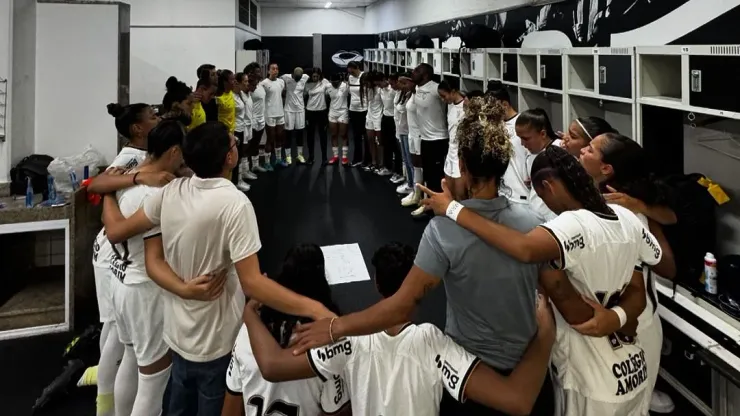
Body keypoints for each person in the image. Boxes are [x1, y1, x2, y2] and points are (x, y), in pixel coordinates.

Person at [290, 97, 558, 415]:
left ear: (462, 164)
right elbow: (557, 293)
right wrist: (546, 332)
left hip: (469, 373)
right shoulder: (534, 223)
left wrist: (337, 327)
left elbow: (402, 305)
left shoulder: (443, 232)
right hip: (531, 370)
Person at [99, 122, 336, 415]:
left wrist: (108, 190)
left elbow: (142, 251)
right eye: (233, 145)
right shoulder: (235, 204)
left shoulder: (170, 192)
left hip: (176, 335)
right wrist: (316, 309)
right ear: (229, 158)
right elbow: (253, 283)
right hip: (216, 339)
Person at [417, 144, 667, 416]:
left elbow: (527, 252)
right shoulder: (626, 216)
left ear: (547, 187)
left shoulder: (570, 225)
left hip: (590, 375)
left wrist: (453, 209)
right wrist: (618, 317)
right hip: (632, 366)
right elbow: (640, 285)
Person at [245, 242, 556, 416]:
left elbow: (273, 367)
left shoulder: (350, 340)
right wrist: (545, 333)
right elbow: (517, 400)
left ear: (377, 284)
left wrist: (248, 315)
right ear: (421, 289)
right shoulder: (433, 344)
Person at [579, 132, 678, 414]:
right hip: (608, 319)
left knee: (633, 404)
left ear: (607, 168)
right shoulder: (595, 193)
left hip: (635, 321)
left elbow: (666, 265)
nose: (582, 150)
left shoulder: (627, 208)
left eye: (589, 148)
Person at [83, 103, 167, 416]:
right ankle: (104, 402)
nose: (158, 120)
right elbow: (99, 184)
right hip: (113, 256)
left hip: (115, 255)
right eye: (153, 117)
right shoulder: (131, 157)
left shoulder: (143, 156)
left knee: (120, 340)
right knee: (117, 339)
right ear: (137, 128)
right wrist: (137, 181)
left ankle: (107, 399)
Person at [109, 119, 186, 416]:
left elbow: (110, 218)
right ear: (174, 151)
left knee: (130, 358)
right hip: (145, 290)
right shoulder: (154, 194)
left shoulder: (129, 177)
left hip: (121, 279)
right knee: (153, 378)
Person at [221, 244, 349, 416]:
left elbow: (230, 409)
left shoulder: (248, 333)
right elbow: (336, 411)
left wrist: (249, 312)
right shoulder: (326, 345)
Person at [413, 63, 448, 218]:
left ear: (426, 75)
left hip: (438, 139)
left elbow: (452, 97)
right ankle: (429, 205)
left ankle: (439, 209)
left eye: (417, 70)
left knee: (438, 177)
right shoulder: (417, 88)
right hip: (425, 139)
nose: (413, 72)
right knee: (428, 175)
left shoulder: (435, 89)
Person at [515, 108, 562, 220]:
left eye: (526, 139)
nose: (522, 144)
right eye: (520, 138)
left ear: (542, 134)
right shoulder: (530, 154)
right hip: (535, 216)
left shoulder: (561, 150)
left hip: (555, 219)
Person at [486, 81, 528, 206]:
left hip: (521, 195)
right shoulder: (494, 125)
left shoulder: (523, 125)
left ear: (504, 104)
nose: (489, 113)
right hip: (500, 193)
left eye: (492, 108)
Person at [437, 80, 466, 199]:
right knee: (449, 192)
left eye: (444, 96)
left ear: (453, 92)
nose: (443, 99)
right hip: (451, 151)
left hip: (461, 154)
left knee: (461, 195)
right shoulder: (450, 105)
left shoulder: (466, 106)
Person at [400, 74, 423, 213]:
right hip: (411, 134)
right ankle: (416, 193)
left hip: (420, 135)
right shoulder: (411, 95)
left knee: (420, 167)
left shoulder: (420, 95)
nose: (404, 86)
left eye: (405, 83)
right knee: (415, 166)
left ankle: (422, 198)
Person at [261, 63, 288, 168]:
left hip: (280, 113)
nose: (275, 70)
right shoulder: (264, 83)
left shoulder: (281, 82)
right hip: (269, 114)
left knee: (279, 138)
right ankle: (267, 162)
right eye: (273, 69)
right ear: (268, 71)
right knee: (270, 139)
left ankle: (278, 159)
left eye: (277, 69)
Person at [243, 63, 269, 173]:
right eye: (257, 71)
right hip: (251, 120)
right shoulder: (248, 86)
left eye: (260, 71)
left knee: (256, 144)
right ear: (251, 73)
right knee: (247, 147)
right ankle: (245, 170)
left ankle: (255, 165)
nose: (260, 73)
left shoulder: (261, 85)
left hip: (261, 119)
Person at [282, 67, 310, 164]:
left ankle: (300, 155)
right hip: (288, 110)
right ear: (292, 74)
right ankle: (288, 156)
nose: (297, 80)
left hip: (300, 110)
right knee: (288, 134)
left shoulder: (305, 77)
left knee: (300, 133)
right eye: (296, 78)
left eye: (299, 78)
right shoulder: (285, 77)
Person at [394, 73, 414, 196]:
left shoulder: (412, 95)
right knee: (406, 160)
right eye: (400, 83)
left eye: (403, 83)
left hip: (408, 131)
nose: (401, 85)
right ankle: (409, 182)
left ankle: (413, 186)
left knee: (410, 161)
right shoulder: (403, 94)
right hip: (401, 130)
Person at [305, 68, 331, 164]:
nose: (315, 77)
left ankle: (324, 158)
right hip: (310, 112)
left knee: (323, 135)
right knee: (310, 136)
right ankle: (311, 157)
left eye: (317, 76)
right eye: (314, 76)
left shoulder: (325, 82)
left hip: (322, 112)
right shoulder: (307, 84)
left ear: (320, 75)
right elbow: (303, 96)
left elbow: (333, 88)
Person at [233, 72, 254, 192]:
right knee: (239, 155)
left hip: (244, 125)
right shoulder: (232, 96)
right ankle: (238, 180)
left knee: (243, 152)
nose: (247, 84)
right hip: (237, 128)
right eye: (245, 81)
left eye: (247, 81)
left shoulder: (242, 94)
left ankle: (242, 175)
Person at [380, 73, 402, 181]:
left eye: (392, 83)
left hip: (395, 120)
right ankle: (388, 167)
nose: (391, 85)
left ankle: (398, 172)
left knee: (396, 148)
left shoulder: (395, 92)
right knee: (386, 145)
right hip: (386, 118)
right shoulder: (385, 90)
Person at [360, 71, 384, 173]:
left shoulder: (379, 89)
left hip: (379, 116)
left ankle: (381, 164)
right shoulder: (366, 89)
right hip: (369, 115)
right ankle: (374, 162)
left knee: (379, 142)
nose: (365, 84)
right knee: (370, 140)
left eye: (367, 82)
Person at [326, 73, 350, 165]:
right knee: (333, 135)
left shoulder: (345, 86)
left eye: (336, 82)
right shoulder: (328, 86)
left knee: (343, 135)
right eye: (332, 82)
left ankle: (344, 157)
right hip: (332, 112)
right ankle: (335, 156)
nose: (334, 84)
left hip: (343, 112)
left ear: (340, 81)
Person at [347, 61, 367, 166]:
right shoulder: (350, 77)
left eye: (353, 72)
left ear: (357, 68)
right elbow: (350, 92)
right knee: (356, 136)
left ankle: (367, 160)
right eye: (350, 72)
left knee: (366, 136)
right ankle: (357, 159)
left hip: (363, 110)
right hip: (353, 110)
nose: (351, 74)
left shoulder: (364, 76)